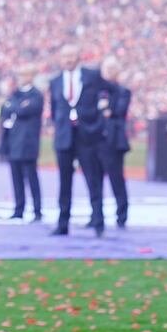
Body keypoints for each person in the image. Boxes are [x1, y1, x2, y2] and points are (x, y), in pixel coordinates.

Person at [49, 44, 111, 237]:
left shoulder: (91, 76)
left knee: (93, 180)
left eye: (71, 55)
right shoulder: (55, 81)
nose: (68, 60)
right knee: (64, 182)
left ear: (78, 57)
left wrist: (100, 118)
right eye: (64, 56)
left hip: (87, 135)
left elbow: (112, 91)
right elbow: (54, 108)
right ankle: (62, 224)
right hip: (64, 136)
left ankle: (98, 223)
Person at [0, 62, 43, 222]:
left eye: (25, 74)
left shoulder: (36, 95)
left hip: (28, 143)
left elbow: (22, 110)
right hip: (13, 141)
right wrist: (15, 106)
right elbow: (5, 109)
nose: (21, 78)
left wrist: (14, 106)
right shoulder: (16, 94)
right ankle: (19, 208)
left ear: (32, 76)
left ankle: (37, 210)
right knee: (16, 177)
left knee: (31, 178)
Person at [97, 56, 131, 229]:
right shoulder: (98, 91)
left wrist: (106, 108)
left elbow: (118, 111)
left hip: (114, 141)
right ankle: (97, 215)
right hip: (97, 140)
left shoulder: (122, 91)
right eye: (106, 69)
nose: (109, 72)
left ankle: (122, 214)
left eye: (112, 69)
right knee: (95, 180)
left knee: (116, 178)